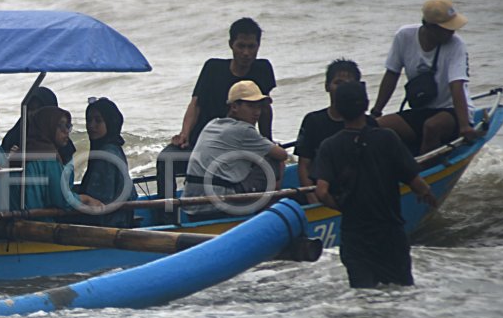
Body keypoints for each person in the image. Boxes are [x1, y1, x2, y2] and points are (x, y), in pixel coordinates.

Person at [312, 81, 438, 288]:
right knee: (400, 294)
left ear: (338, 109)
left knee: (364, 297)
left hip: (355, 236)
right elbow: (415, 181)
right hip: (389, 233)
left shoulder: (329, 146)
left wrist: (345, 207)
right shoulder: (387, 138)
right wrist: (426, 194)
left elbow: (322, 192)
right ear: (366, 105)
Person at [159, 18, 274, 198]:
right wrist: (185, 134)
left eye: (251, 47)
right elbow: (195, 104)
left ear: (259, 46)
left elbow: (265, 110)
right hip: (204, 143)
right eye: (241, 46)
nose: (246, 53)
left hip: (239, 143)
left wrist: (267, 141)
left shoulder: (263, 69)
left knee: (271, 161)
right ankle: (166, 213)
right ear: (231, 45)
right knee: (165, 160)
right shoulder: (213, 68)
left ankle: (259, 206)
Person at [370, 0, 481, 155]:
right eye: (447, 28)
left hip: (452, 111)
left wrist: (464, 125)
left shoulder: (457, 45)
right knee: (378, 127)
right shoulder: (404, 36)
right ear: (429, 27)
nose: (452, 32)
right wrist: (376, 112)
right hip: (421, 110)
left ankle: (423, 172)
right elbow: (391, 75)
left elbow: (456, 85)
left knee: (432, 127)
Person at [181, 81, 289, 220]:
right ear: (234, 107)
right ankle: (267, 213)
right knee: (274, 160)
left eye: (259, 107)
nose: (256, 113)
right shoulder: (244, 130)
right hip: (219, 203)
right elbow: (282, 155)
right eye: (250, 106)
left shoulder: (213, 123)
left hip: (191, 203)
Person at [295, 59, 377, 203]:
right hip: (322, 193)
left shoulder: (369, 123)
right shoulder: (313, 121)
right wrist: (313, 199)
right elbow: (304, 165)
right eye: (338, 83)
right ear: (327, 86)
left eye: (348, 84)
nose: (342, 89)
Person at [76, 97, 135, 227]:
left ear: (110, 122)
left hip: (109, 224)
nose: (91, 125)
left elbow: (99, 200)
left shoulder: (106, 155)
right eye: (89, 120)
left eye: (98, 121)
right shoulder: (112, 148)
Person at [7, 106, 74, 213]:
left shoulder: (22, 152)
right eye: (61, 126)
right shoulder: (49, 157)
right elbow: (61, 200)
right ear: (47, 126)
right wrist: (85, 199)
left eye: (68, 126)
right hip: (31, 221)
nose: (66, 131)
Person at [2, 87, 75, 162]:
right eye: (31, 109)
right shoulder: (13, 137)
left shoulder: (62, 142)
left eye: (39, 109)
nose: (33, 114)